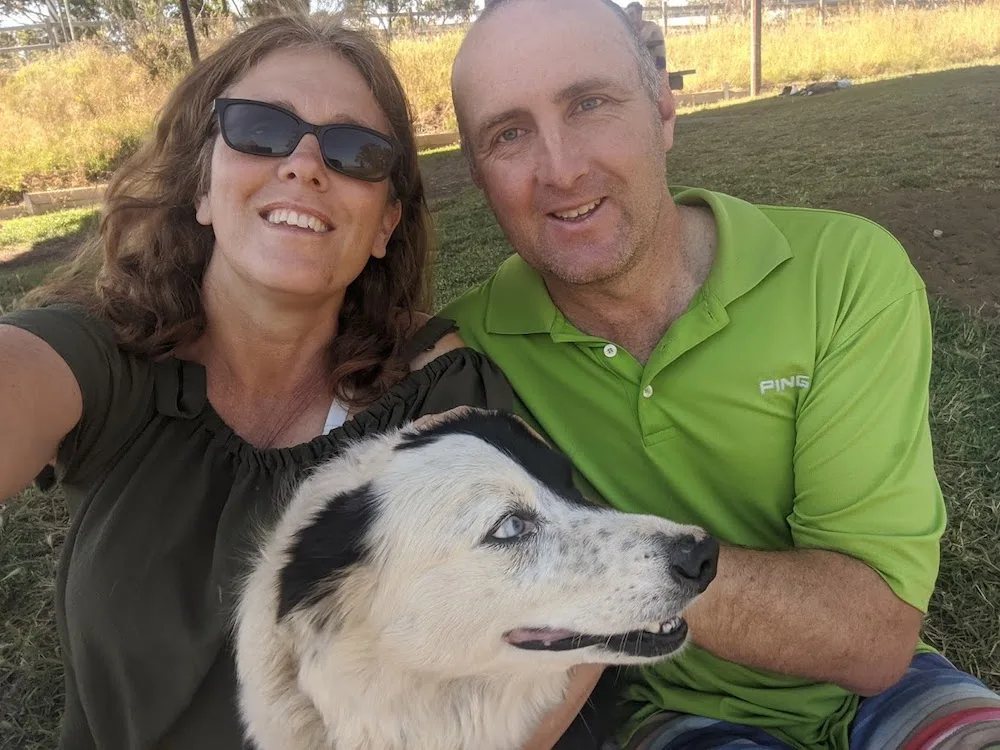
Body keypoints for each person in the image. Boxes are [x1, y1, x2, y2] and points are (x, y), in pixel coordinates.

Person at [0, 14, 595, 750]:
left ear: (384, 225)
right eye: (259, 127)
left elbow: (584, 599)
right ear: (204, 187)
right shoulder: (97, 358)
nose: (305, 164)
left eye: (354, 151)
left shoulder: (433, 384)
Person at [442, 0, 1000, 748]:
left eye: (591, 103)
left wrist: (596, 549)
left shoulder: (841, 276)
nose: (562, 168)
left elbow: (868, 640)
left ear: (664, 111)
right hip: (677, 712)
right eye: (509, 134)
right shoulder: (467, 350)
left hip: (893, 689)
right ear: (478, 174)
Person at [624, 1, 667, 75]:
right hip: (646, 64)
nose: (629, 17)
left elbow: (639, 42)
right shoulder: (634, 30)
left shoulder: (650, 26)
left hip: (657, 63)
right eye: (627, 15)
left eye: (631, 14)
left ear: (639, 14)